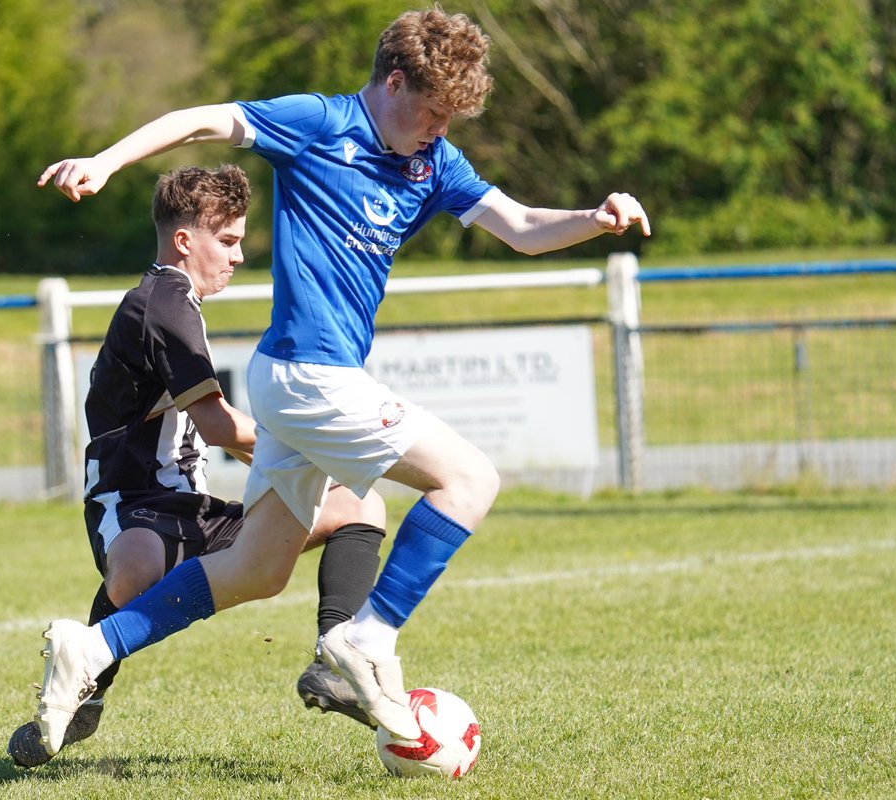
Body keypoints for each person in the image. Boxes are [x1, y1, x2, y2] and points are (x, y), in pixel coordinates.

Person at [32, 7, 652, 753]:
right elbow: (200, 120)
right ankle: (366, 639)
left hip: (306, 385)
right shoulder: (319, 124)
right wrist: (105, 161)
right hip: (309, 375)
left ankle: (93, 649)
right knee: (469, 481)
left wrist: (595, 217)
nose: (438, 130)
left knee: (257, 570)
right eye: (431, 112)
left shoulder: (433, 163)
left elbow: (519, 228)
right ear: (393, 83)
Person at [12, 164, 386, 766]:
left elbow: (224, 431)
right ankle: (82, 693)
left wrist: (315, 468)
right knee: (135, 566)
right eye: (228, 241)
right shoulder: (161, 306)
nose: (238, 256)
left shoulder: (176, 301)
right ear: (185, 241)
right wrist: (315, 456)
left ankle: (337, 655)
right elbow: (219, 427)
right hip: (131, 503)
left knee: (359, 506)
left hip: (195, 508)